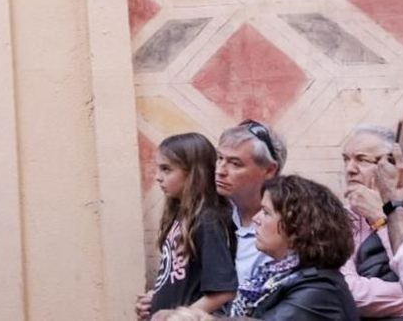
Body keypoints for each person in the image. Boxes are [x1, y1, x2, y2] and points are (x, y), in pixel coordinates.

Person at [159, 175, 360, 320]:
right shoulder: (272, 278)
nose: (256, 219)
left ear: (297, 227)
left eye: (265, 212)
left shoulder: (319, 291)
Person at [137, 132, 237, 319]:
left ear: (194, 173)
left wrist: (180, 316)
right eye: (158, 169)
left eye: (167, 169)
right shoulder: (182, 217)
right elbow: (182, 279)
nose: (158, 177)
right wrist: (156, 297)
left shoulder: (208, 220)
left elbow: (223, 291)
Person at [338, 125, 403, 315]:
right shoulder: (337, 219)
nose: (350, 169)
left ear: (394, 167)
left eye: (361, 159)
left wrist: (383, 218)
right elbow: (346, 292)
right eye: (346, 159)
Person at [218, 121, 287, 285]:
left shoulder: (283, 229)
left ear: (269, 170)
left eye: (235, 164)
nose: (220, 171)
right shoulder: (217, 212)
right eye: (219, 158)